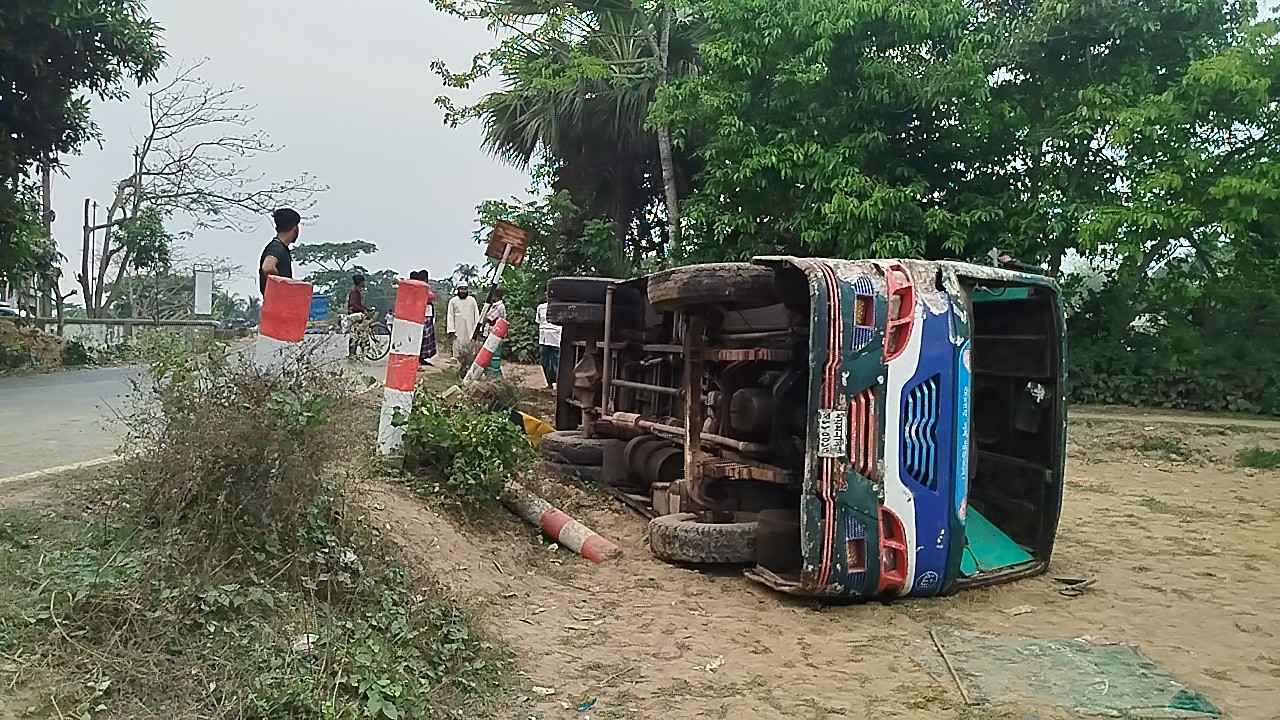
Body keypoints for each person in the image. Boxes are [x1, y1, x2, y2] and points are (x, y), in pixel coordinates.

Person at [259, 208, 300, 294]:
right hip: (277, 303)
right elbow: (268, 267)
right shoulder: (276, 248)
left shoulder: (280, 248)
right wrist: (283, 285)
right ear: (295, 228)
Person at [446, 283, 480, 360]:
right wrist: (451, 329)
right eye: (461, 289)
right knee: (457, 346)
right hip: (457, 329)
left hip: (471, 328)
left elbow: (476, 314)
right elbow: (450, 316)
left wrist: (477, 328)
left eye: (465, 289)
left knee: (470, 347)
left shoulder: (472, 300)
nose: (463, 291)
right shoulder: (453, 301)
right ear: (458, 290)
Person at [536, 290, 562, 388]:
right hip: (543, 338)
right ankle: (549, 383)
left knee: (556, 362)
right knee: (544, 362)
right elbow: (539, 322)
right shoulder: (541, 307)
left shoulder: (559, 307)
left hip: (556, 338)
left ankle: (558, 383)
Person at [411, 270, 438, 364]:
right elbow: (431, 297)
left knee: (424, 338)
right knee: (424, 338)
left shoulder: (421, 288)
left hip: (426, 314)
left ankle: (421, 358)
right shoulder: (421, 288)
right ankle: (419, 357)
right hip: (424, 315)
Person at [481, 287, 507, 377]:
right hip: (488, 331)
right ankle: (489, 372)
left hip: (495, 332)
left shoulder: (500, 307)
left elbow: (492, 319)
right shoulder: (493, 306)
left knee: (494, 354)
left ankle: (494, 374)